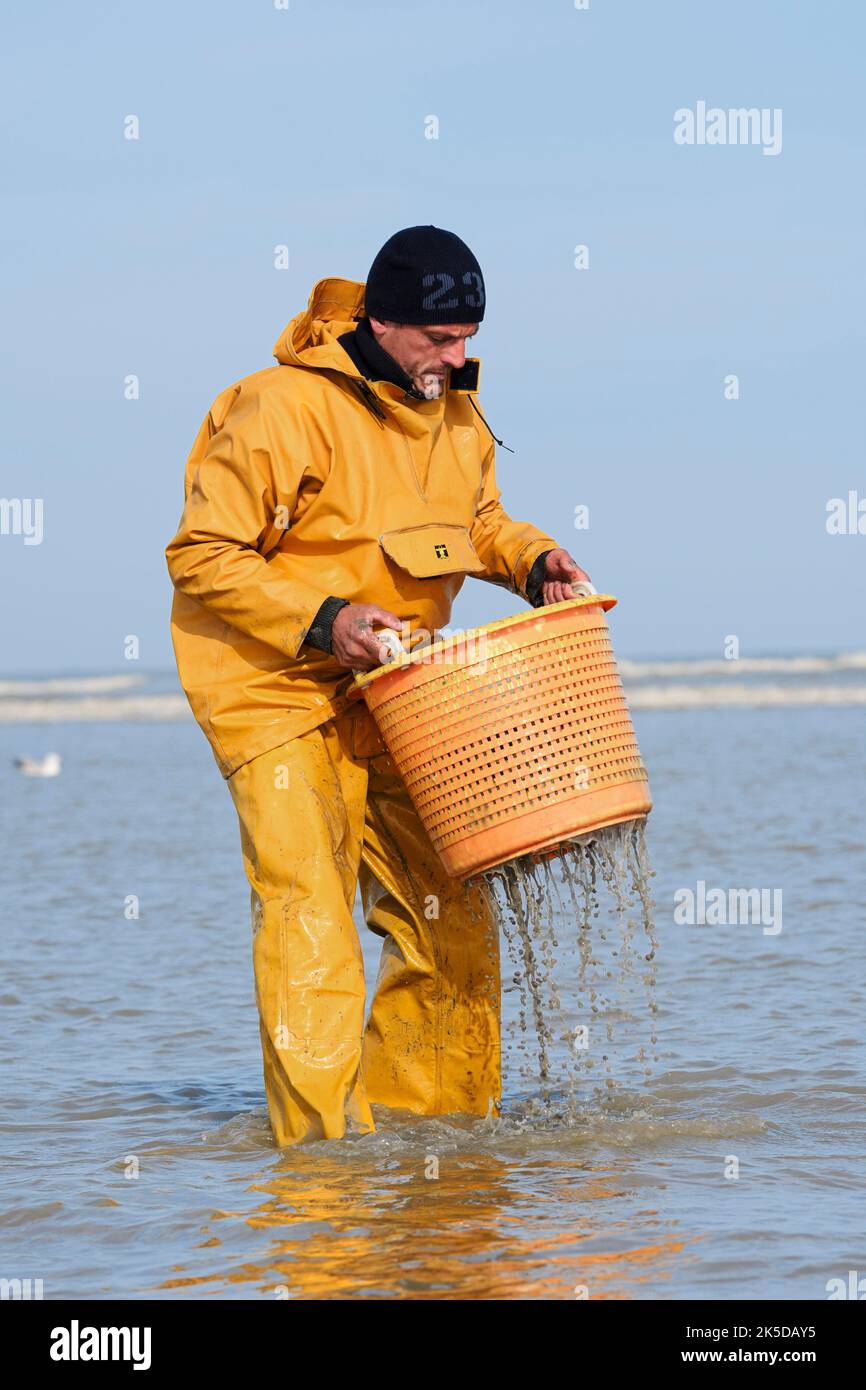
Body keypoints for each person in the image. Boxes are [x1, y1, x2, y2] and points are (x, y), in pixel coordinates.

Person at [165, 225, 590, 1146]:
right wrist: (329, 619)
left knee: (454, 920)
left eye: (470, 336)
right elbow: (201, 556)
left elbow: (479, 523)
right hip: (275, 695)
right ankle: (323, 1164)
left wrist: (534, 563)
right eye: (440, 339)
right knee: (310, 923)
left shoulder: (455, 410)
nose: (459, 355)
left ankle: (433, 1149)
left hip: (403, 692)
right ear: (382, 321)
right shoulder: (277, 408)